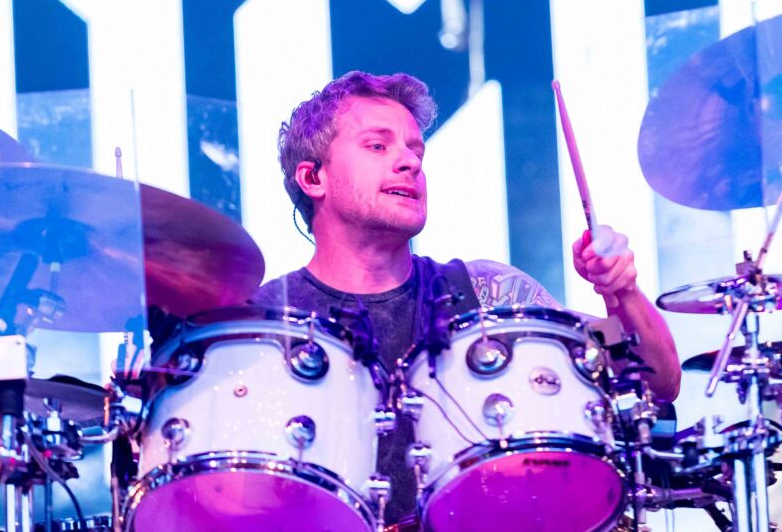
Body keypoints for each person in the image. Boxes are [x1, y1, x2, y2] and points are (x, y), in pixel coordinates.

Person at [251, 70, 681, 525]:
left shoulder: (487, 291)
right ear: (313, 177)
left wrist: (621, 293)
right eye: (377, 146)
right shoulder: (259, 324)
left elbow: (657, 382)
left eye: (415, 150)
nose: (409, 162)